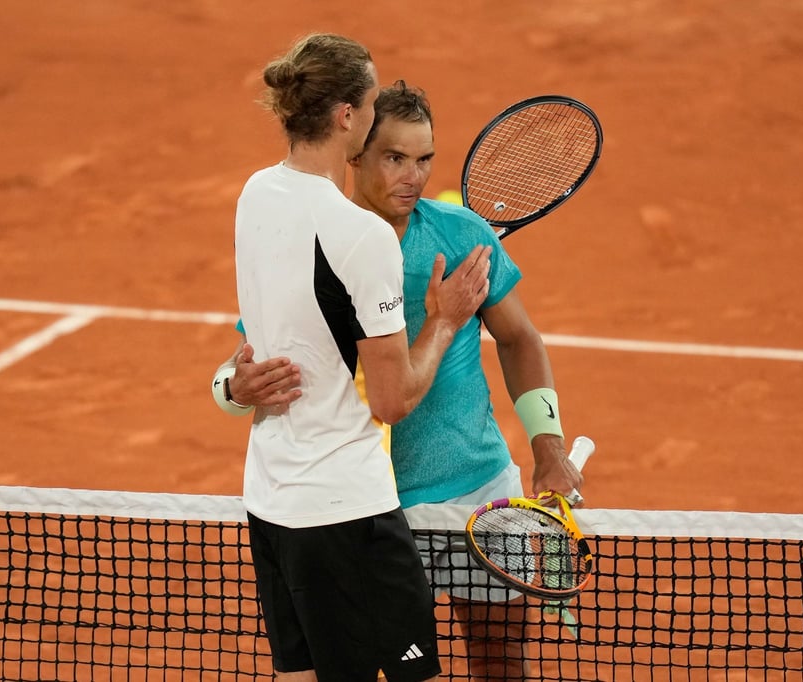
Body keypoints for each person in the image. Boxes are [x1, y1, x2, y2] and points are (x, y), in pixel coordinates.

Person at [220, 81, 581, 680]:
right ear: (356, 153)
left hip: (479, 498)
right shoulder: (322, 242)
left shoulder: (462, 234)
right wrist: (232, 387)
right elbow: (248, 360)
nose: (413, 177)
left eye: (424, 159)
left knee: (501, 663)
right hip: (371, 509)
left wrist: (549, 448)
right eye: (395, 158)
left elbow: (520, 340)